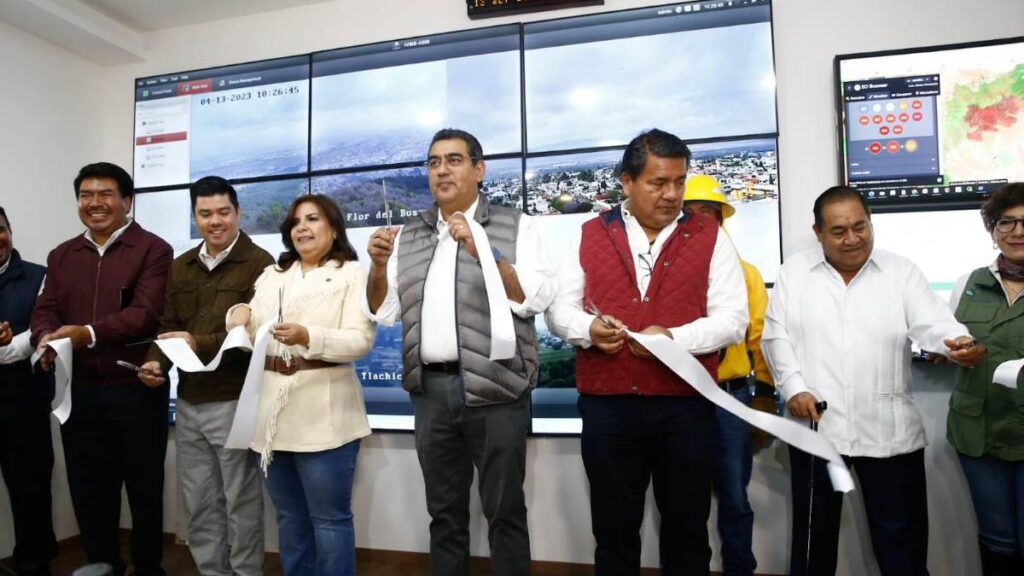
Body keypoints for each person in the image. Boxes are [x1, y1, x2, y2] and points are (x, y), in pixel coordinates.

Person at [545, 128, 749, 575]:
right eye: (659, 183)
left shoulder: (709, 235)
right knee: (614, 533)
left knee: (688, 534)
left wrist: (673, 341)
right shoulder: (589, 234)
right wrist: (588, 328)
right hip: (608, 409)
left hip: (685, 408)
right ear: (627, 182)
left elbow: (734, 319)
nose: (672, 194)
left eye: (679, 181)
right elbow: (558, 311)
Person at [762, 185, 984, 576]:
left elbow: (933, 322)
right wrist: (794, 387)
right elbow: (776, 337)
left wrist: (956, 342)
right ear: (818, 232)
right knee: (814, 542)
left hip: (889, 434)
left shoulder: (901, 272)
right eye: (839, 231)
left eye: (860, 226)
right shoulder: (793, 274)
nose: (852, 239)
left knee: (902, 545)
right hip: (817, 429)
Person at [363, 128, 556, 576]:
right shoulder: (409, 235)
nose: (442, 170)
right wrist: (375, 266)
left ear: (478, 169)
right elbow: (383, 310)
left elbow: (535, 299)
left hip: (498, 392)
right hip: (430, 393)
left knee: (505, 512)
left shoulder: (516, 224)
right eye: (433, 162)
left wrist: (482, 250)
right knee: (444, 515)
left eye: (453, 160)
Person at [30, 162, 173, 576]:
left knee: (144, 489)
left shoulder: (153, 249)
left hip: (135, 387)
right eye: (86, 196)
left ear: (127, 201)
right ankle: (102, 566)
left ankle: (148, 568)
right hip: (79, 391)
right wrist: (45, 337)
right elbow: (45, 309)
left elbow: (146, 314)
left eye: (105, 194)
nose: (95, 204)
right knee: (90, 490)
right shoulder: (62, 254)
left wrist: (84, 334)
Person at [226, 194, 375, 576]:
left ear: (334, 227)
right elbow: (253, 321)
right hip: (271, 416)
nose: (302, 228)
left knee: (329, 520)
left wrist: (309, 335)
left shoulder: (353, 274)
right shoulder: (273, 275)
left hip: (325, 415)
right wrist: (237, 314)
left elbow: (360, 341)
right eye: (295, 222)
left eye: (313, 219)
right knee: (290, 518)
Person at [138, 177, 273, 576]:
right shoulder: (181, 266)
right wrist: (155, 364)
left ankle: (247, 573)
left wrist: (195, 341)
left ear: (238, 213)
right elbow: (168, 324)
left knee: (240, 501)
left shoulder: (261, 263)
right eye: (205, 213)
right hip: (190, 401)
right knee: (198, 502)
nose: (215, 221)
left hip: (234, 399)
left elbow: (248, 333)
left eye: (223, 212)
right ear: (195, 216)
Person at [683, 174, 774, 576]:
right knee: (685, 501)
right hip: (681, 399)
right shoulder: (668, 277)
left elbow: (761, 338)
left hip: (731, 399)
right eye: (693, 213)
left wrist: (765, 396)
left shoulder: (746, 272)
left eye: (710, 213)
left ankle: (741, 568)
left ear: (721, 220)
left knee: (735, 497)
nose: (702, 221)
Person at [948, 182, 1024, 575]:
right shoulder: (968, 282)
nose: (1017, 232)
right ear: (992, 230)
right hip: (979, 432)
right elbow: (940, 340)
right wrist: (953, 351)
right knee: (997, 540)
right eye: (1006, 222)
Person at [0, 206, 56, 576]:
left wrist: (9, 344)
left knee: (30, 493)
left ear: (10, 230)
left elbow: (43, 330)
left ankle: (34, 566)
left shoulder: (40, 276)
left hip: (24, 406)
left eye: (0, 229)